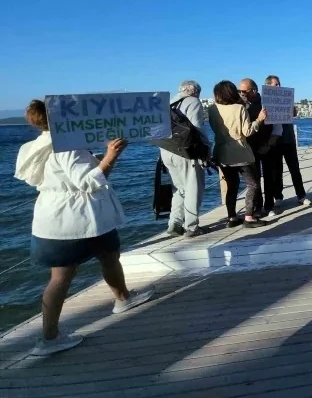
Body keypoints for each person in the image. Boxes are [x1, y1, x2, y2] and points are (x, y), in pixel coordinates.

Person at [15, 100, 154, 356]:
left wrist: (102, 157)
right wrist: (111, 156)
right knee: (89, 265)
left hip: (53, 218)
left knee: (99, 260)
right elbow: (88, 182)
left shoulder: (40, 145)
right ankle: (49, 338)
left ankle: (121, 298)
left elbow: (72, 173)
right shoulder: (68, 147)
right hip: (81, 218)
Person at [208, 80, 267, 228]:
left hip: (222, 152)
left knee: (231, 186)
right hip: (240, 152)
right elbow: (247, 131)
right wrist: (259, 120)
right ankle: (249, 216)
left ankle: (232, 217)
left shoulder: (212, 109)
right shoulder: (239, 108)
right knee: (253, 184)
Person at [162, 80, 209, 237]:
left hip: (166, 150)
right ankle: (191, 226)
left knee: (179, 189)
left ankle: (174, 223)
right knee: (193, 188)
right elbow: (197, 128)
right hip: (186, 151)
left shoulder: (168, 103)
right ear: (195, 92)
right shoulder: (193, 102)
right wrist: (206, 149)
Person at [265, 75, 311, 211]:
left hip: (288, 138)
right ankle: (278, 197)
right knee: (276, 170)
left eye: (279, 84)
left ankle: (301, 195)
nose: (279, 86)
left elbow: (294, 113)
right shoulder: (266, 101)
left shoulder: (286, 98)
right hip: (274, 140)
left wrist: (291, 106)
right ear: (268, 86)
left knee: (294, 169)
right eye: (275, 84)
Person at [239, 78, 281, 216]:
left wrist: (269, 144)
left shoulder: (267, 101)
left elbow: (277, 126)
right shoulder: (241, 105)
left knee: (270, 176)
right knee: (254, 179)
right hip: (250, 147)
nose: (242, 94)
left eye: (245, 91)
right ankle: (258, 207)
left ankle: (269, 204)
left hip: (267, 144)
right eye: (240, 91)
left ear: (254, 90)